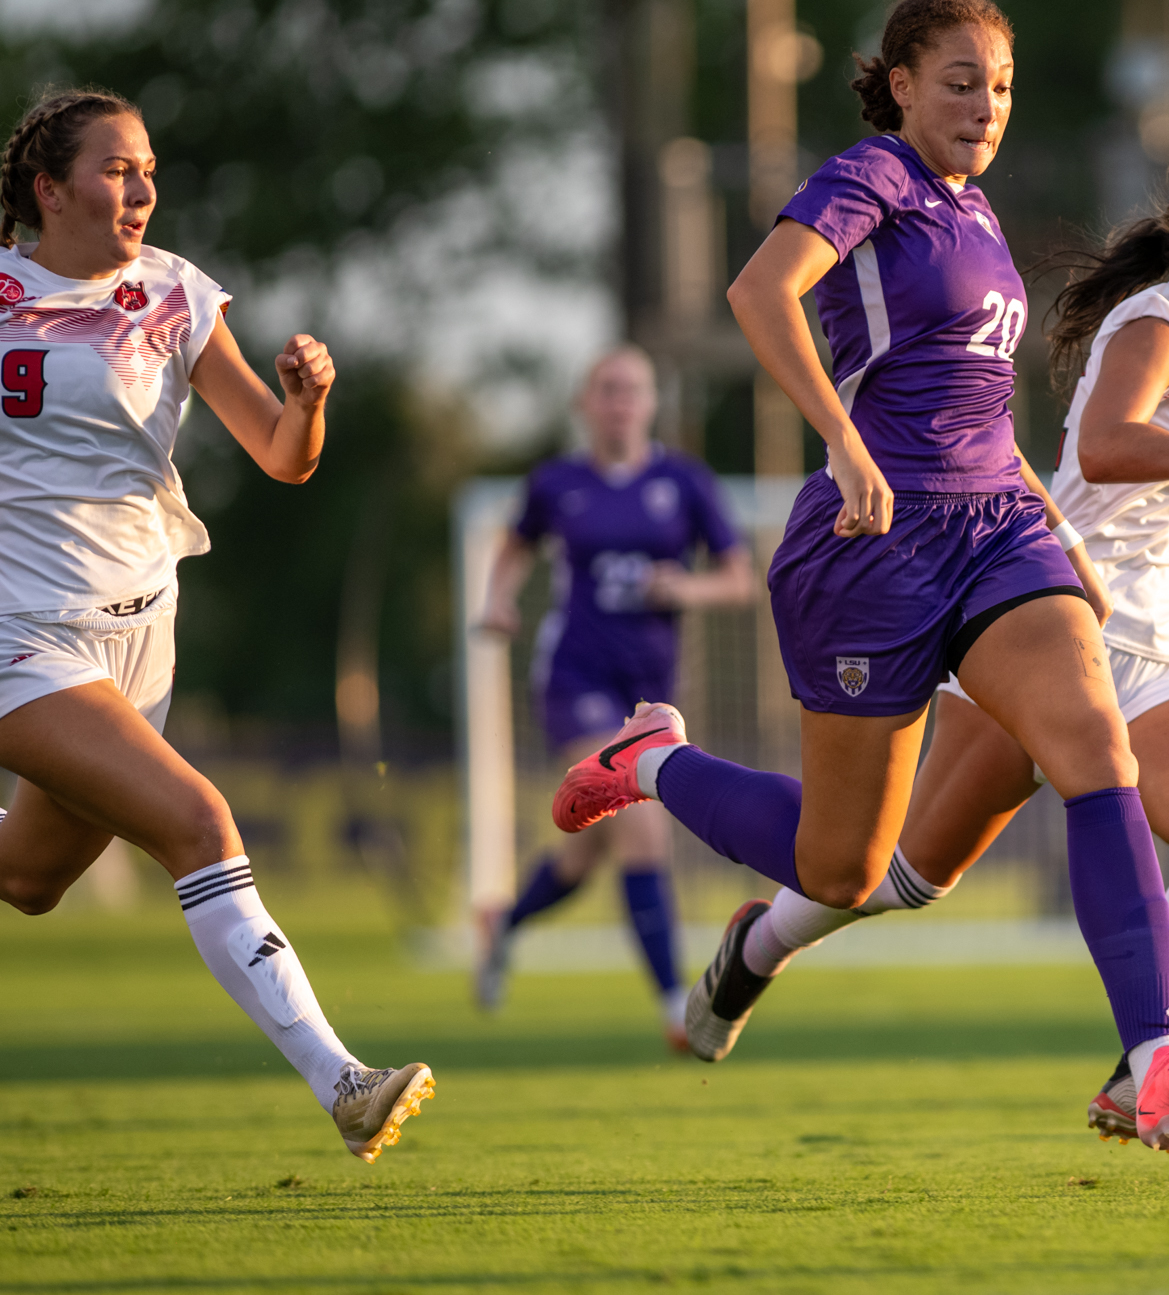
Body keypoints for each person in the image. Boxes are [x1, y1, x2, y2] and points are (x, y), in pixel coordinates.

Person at [546, 0, 1169, 1154]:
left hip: (995, 529)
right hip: (870, 545)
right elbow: (756, 291)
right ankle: (657, 761)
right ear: (897, 85)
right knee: (843, 867)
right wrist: (838, 438)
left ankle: (1156, 1065)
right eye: (960, 81)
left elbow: (978, 415)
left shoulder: (975, 213)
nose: (985, 105)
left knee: (1096, 745)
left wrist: (1064, 535)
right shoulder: (870, 178)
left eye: (1000, 87)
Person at [662, 146, 1169, 1149]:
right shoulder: (1157, 326)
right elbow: (1112, 445)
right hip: (1060, 615)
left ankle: (1140, 1067)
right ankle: (761, 946)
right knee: (900, 872)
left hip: (1158, 638)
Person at [0, 87, 433, 1160]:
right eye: (115, 168)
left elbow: (283, 458)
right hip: (22, 631)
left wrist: (309, 397)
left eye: (148, 167)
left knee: (31, 880)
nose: (142, 187)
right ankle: (344, 1082)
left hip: (142, 632)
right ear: (49, 190)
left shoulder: (178, 293)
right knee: (201, 822)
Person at [474, 344, 752, 1051]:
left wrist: (683, 587)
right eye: (607, 389)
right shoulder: (558, 482)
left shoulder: (682, 481)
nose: (620, 401)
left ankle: (503, 925)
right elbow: (513, 548)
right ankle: (676, 1006)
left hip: (651, 695)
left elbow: (739, 577)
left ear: (652, 402)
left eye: (633, 389)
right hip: (575, 679)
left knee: (586, 852)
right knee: (641, 826)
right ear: (585, 403)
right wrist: (499, 599)